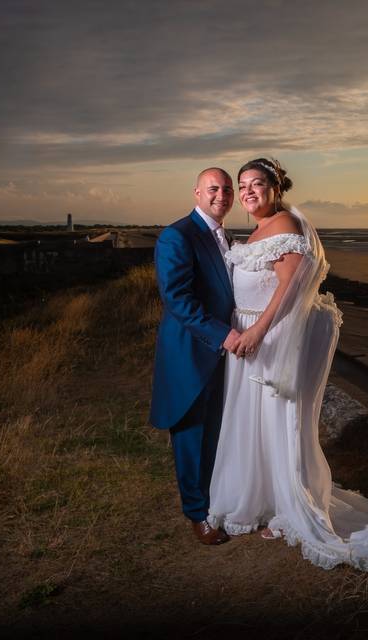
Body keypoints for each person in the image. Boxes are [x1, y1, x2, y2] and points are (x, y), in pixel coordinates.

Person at [207, 158, 368, 573]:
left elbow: (289, 290)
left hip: (269, 338)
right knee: (255, 422)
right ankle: (262, 496)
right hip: (248, 336)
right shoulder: (261, 227)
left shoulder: (285, 225)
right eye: (242, 185)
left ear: (275, 188)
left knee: (282, 421)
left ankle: (290, 507)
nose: (247, 192)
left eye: (257, 184)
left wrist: (256, 333)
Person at [150, 168, 241, 545]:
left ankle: (217, 502)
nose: (221, 194)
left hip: (224, 354)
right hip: (192, 352)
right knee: (191, 436)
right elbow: (178, 301)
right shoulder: (177, 235)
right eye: (213, 189)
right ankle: (197, 516)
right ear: (197, 193)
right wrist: (226, 335)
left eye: (226, 189)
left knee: (218, 434)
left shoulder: (227, 237)